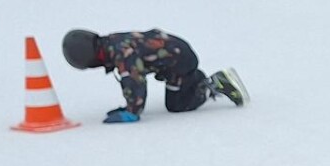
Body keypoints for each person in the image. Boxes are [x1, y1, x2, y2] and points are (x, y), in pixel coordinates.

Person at [60, 28, 247, 124]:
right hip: (175, 56)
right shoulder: (111, 43)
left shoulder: (121, 54)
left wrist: (132, 111)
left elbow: (134, 81)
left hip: (180, 62)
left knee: (176, 106)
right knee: (176, 94)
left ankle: (214, 84)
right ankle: (193, 80)